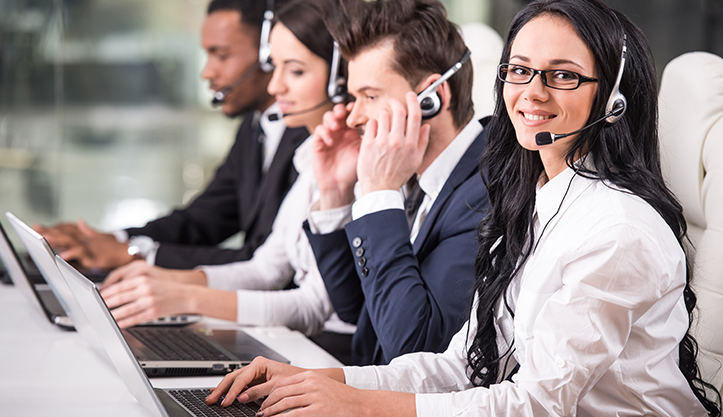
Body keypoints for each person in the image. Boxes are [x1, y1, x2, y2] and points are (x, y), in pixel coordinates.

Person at [204, 0, 723, 415]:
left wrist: (358, 405)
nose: (532, 92)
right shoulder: (532, 203)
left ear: (611, 98)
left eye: (562, 75)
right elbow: (463, 365)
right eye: (519, 70)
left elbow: (539, 403)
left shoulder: (617, 229)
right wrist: (323, 380)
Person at [97, 0, 348, 339]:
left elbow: (311, 304)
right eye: (275, 66)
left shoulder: (336, 157)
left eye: (296, 70)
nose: (275, 87)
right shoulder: (305, 152)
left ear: (340, 77)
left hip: (332, 348)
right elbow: (265, 266)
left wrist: (183, 293)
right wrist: (159, 277)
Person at [34, 0, 309, 271]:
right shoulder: (254, 126)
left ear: (268, 54)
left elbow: (268, 264)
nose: (207, 72)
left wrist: (136, 254)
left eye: (222, 55)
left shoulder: (312, 133)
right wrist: (113, 240)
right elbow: (202, 220)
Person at [302, 0, 489, 366]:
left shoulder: (484, 191)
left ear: (433, 97)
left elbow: (415, 350)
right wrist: (336, 192)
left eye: (370, 96)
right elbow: (361, 313)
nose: (353, 115)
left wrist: (378, 193)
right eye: (353, 97)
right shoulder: (417, 176)